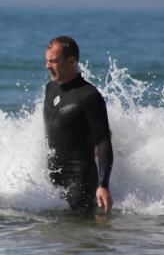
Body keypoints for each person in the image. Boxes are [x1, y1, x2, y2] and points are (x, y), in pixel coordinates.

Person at [43, 36, 114, 213]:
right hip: (52, 181)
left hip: (79, 183)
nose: (47, 66)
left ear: (71, 61)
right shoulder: (50, 88)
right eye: (47, 60)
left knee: (82, 234)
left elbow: (104, 140)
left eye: (53, 61)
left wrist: (103, 185)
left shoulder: (89, 96)